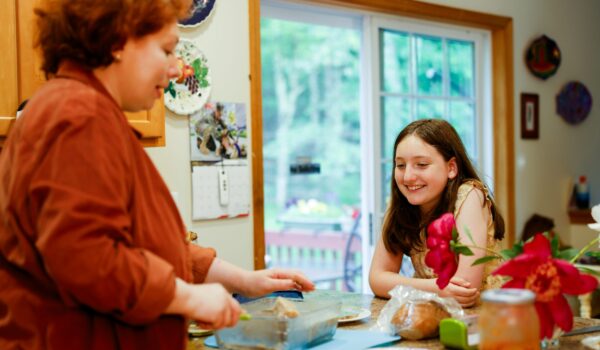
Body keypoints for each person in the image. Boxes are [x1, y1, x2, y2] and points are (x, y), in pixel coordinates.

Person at [0, 1, 314, 349]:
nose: (178, 70)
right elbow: (88, 259)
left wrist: (244, 280)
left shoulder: (79, 110)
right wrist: (190, 298)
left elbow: (140, 248)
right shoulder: (79, 116)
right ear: (119, 39)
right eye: (166, 50)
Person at [369, 119, 504, 308]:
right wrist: (437, 288)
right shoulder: (401, 202)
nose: (407, 176)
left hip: (487, 315)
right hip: (433, 311)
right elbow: (377, 279)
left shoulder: (470, 195)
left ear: (451, 168)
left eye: (421, 164)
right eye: (400, 165)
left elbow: (465, 288)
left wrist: (414, 287)